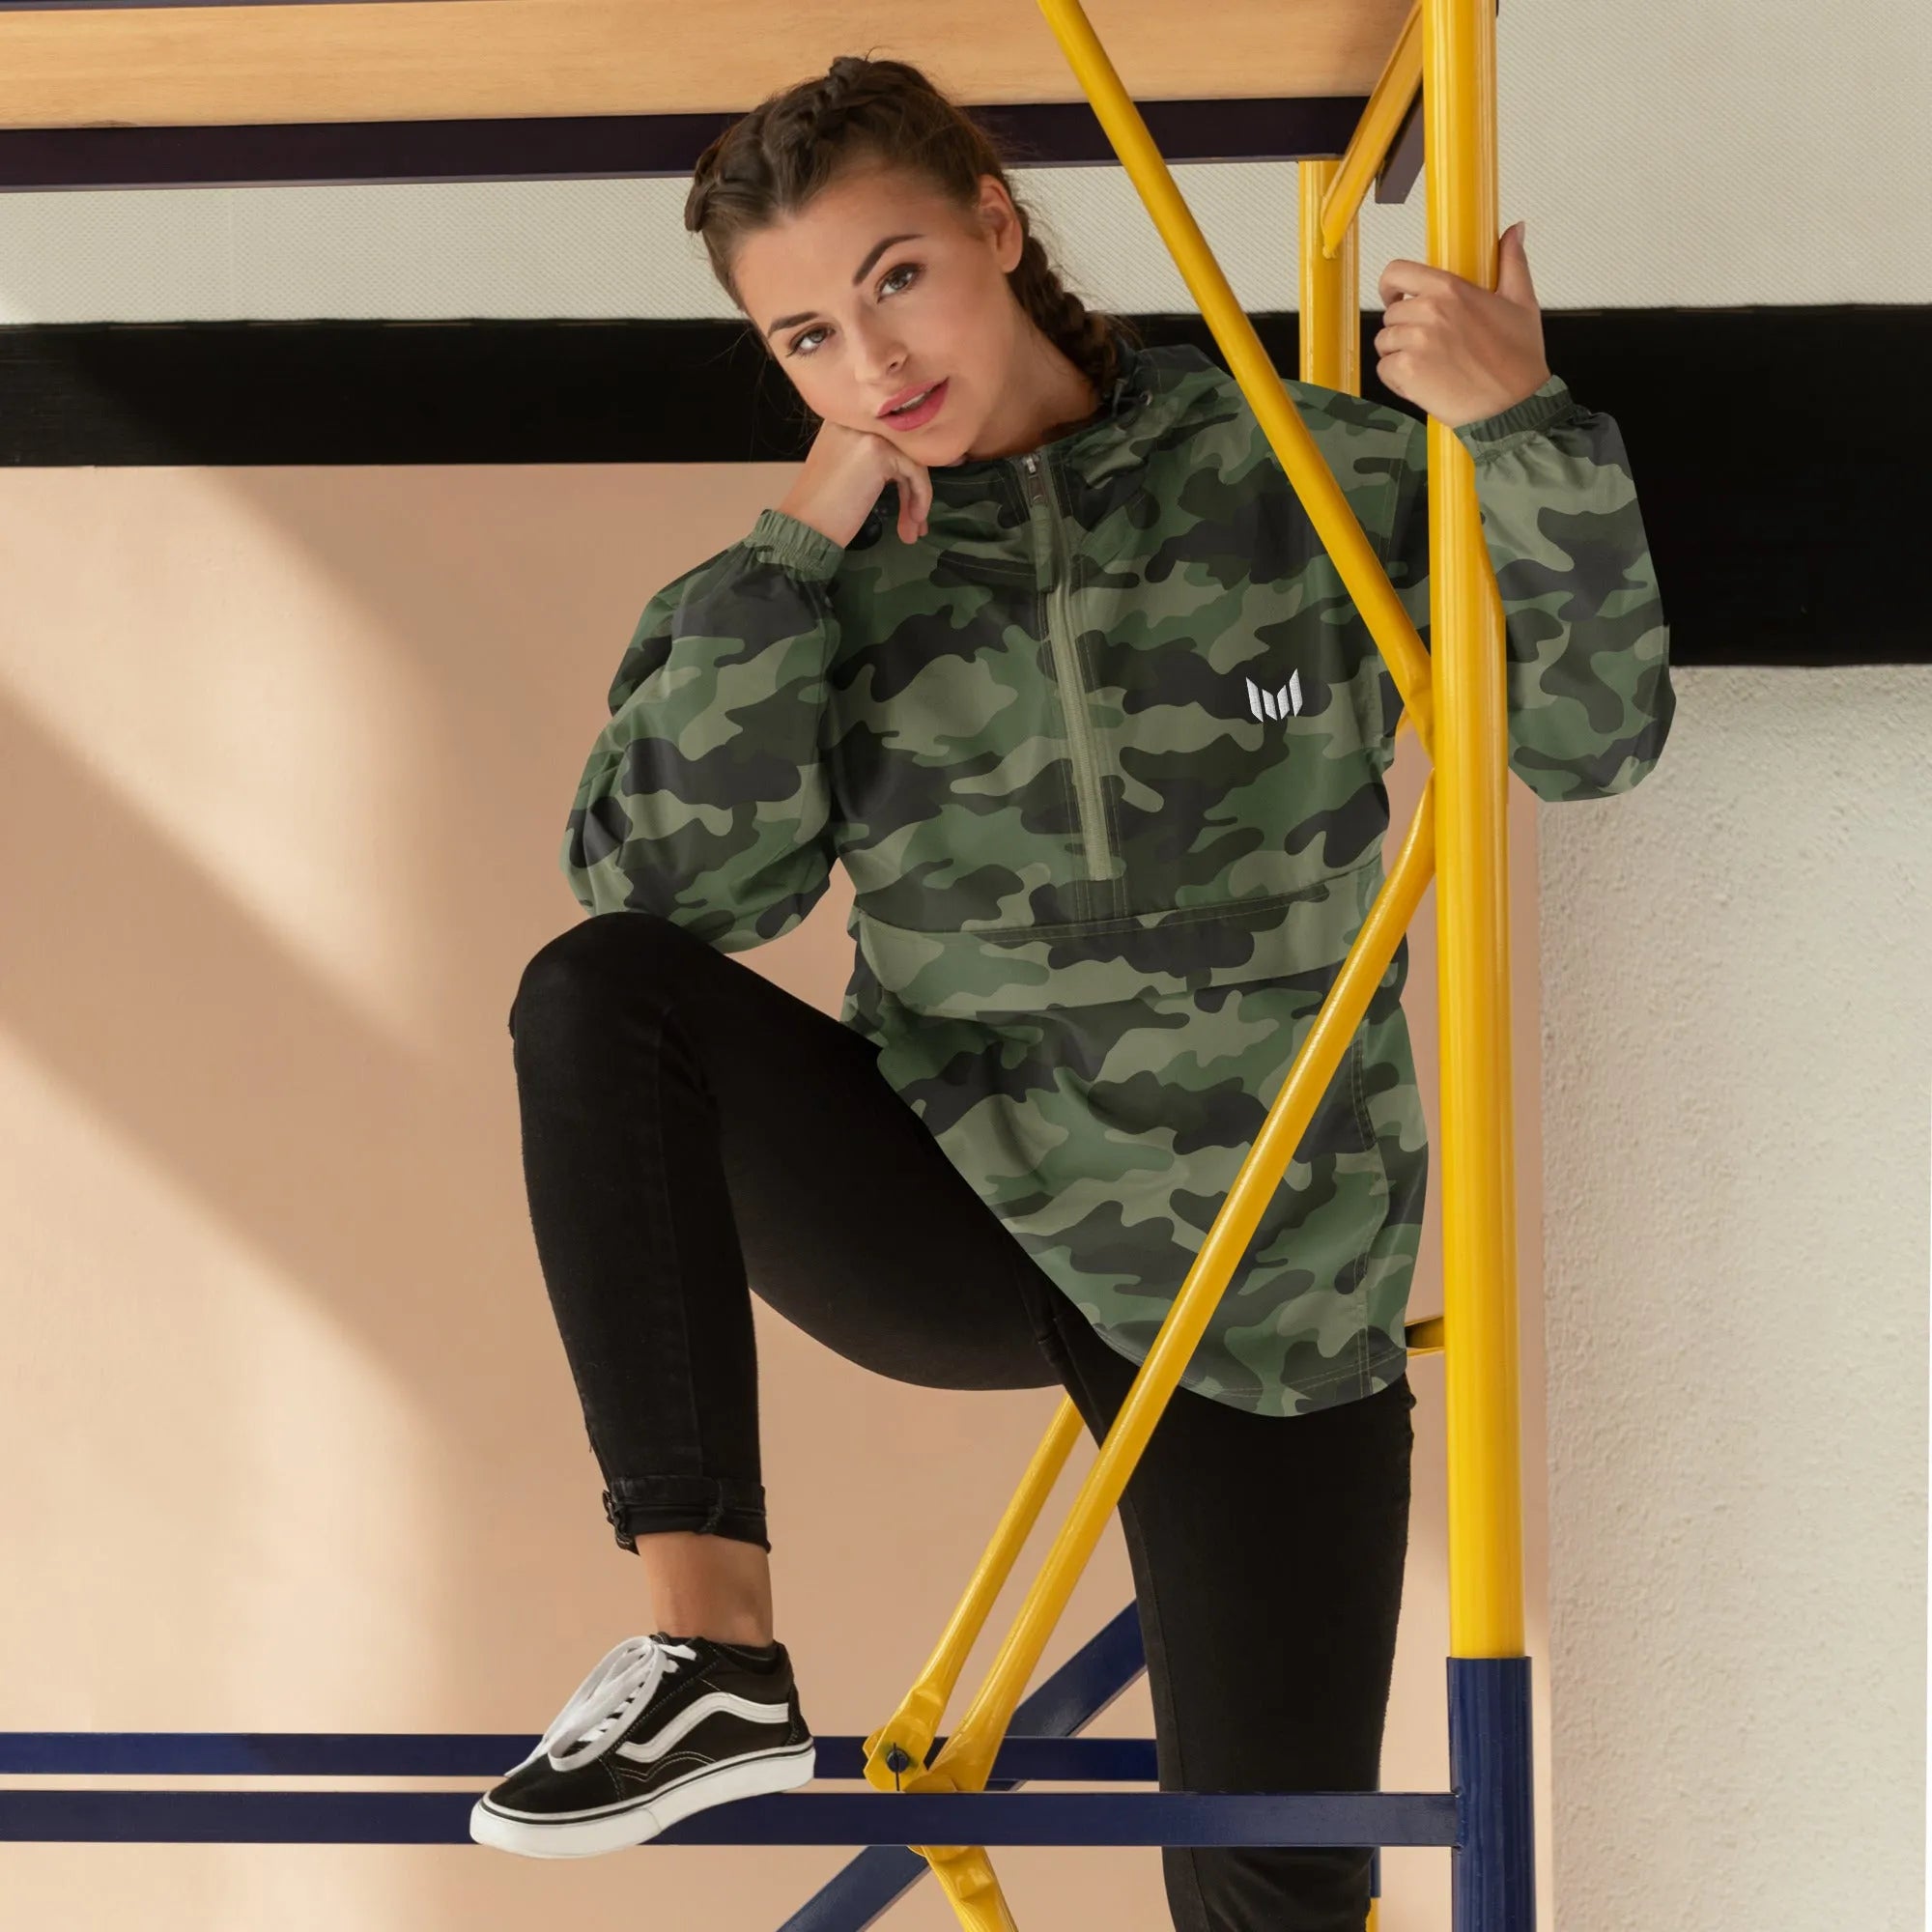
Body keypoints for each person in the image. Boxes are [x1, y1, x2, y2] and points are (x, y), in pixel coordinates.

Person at [469, 52, 1674, 1932]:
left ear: (996, 229)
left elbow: (1593, 739)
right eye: (799, 334)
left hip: (1265, 1260)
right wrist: (797, 549)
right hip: (953, 1194)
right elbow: (667, 888)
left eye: (893, 279)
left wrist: (1517, 430)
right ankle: (709, 1650)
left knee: (1272, 1882)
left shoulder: (1296, 474)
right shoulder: (819, 586)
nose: (868, 361)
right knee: (595, 989)